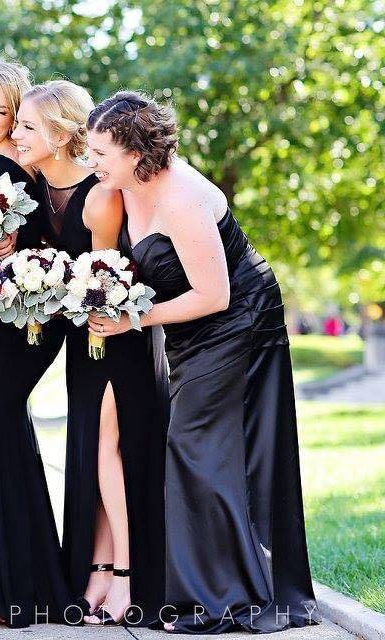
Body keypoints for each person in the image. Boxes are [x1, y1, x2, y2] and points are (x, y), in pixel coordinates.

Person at [87, 90, 318, 633]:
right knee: (200, 445)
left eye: (100, 153)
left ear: (135, 150)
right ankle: (219, 587)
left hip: (239, 322)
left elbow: (214, 296)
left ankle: (216, 602)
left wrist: (132, 320)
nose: (92, 163)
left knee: (194, 444)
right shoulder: (128, 186)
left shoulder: (182, 197)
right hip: (192, 330)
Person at [13, 81, 168, 627]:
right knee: (93, 453)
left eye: (28, 126)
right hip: (82, 341)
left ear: (59, 134)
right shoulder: (28, 191)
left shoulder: (99, 194)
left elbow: (103, 281)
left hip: (114, 334)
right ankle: (99, 567)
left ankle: (128, 574)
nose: (16, 134)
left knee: (107, 452)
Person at [0, 61, 77, 628]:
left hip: (19, 322)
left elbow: (3, 247)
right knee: (3, 434)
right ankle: (34, 589)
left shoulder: (5, 166)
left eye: (4, 112)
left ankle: (17, 588)